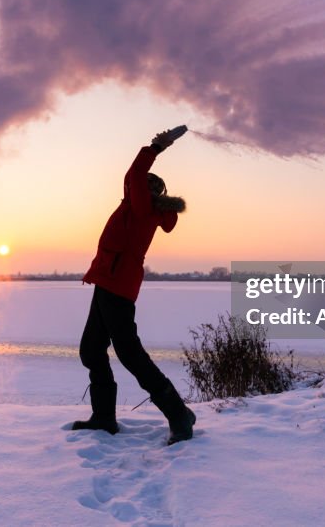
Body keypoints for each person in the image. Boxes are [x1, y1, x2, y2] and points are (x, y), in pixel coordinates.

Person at [72, 126, 196, 445]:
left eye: (138, 187)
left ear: (147, 192)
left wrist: (156, 146)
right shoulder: (134, 209)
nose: (129, 188)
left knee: (129, 354)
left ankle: (178, 414)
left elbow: (134, 172)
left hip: (117, 288)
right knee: (92, 350)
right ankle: (103, 418)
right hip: (108, 283)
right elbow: (133, 178)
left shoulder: (141, 209)